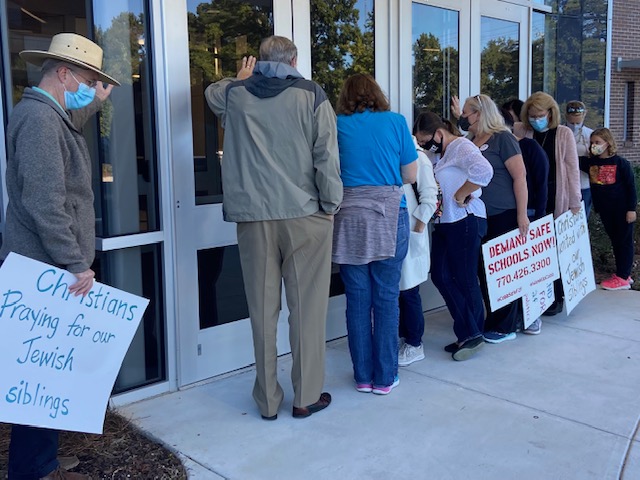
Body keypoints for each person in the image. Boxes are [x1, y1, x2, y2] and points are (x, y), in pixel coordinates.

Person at [205, 36, 343, 420]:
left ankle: (267, 401)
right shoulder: (311, 95)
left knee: (262, 311)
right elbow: (326, 157)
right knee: (307, 310)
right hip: (304, 215)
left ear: (259, 62)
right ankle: (306, 397)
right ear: (294, 60)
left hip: (253, 218)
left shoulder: (235, 95)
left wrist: (240, 76)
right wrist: (331, 205)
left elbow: (211, 94)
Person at [1, 32, 119, 480]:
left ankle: (44, 460)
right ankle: (33, 470)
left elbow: (67, 124)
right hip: (44, 268)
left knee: (49, 371)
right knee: (36, 378)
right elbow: (45, 201)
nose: (88, 86)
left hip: (46, 267)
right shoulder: (38, 121)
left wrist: (95, 103)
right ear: (64, 73)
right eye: (87, 79)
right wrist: (74, 261)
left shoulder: (48, 115)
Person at [333, 73, 417, 394]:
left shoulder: (337, 124)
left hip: (348, 214)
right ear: (377, 94)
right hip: (388, 213)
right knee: (386, 296)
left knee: (356, 299)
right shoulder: (395, 122)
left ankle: (363, 377)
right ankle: (385, 378)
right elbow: (410, 174)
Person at [414, 112, 493, 360]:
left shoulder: (460, 146)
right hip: (445, 222)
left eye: (426, 140)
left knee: (465, 278)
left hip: (465, 219)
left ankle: (472, 333)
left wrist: (462, 193)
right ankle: (469, 332)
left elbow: (484, 171)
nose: (425, 146)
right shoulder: (438, 155)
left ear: (439, 133)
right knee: (440, 275)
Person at [458, 94, 529, 342]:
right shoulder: (469, 140)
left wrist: (522, 215)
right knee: (483, 270)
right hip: (478, 215)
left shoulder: (503, 138)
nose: (463, 117)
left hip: (503, 214)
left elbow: (520, 177)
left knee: (501, 270)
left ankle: (505, 325)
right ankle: (494, 318)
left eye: (466, 113)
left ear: (479, 113)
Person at [515, 92, 582, 317]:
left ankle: (556, 295)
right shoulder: (522, 131)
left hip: (556, 196)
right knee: (534, 252)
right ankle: (536, 296)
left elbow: (572, 169)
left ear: (550, 113)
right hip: (530, 196)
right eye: (532, 115)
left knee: (554, 250)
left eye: (540, 115)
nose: (536, 119)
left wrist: (575, 202)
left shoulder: (563, 134)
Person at [398, 136, 438, 367]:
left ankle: (415, 343)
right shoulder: (390, 155)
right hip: (395, 233)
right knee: (398, 291)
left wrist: (417, 230)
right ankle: (405, 338)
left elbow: (430, 198)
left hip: (411, 232)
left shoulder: (419, 158)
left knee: (409, 291)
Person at [580, 128, 637, 290]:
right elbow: (570, 157)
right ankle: (623, 272)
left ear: (608, 143)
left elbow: (631, 188)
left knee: (624, 242)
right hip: (606, 211)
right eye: (592, 143)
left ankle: (623, 277)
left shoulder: (621, 163)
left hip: (622, 210)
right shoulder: (591, 163)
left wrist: (631, 209)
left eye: (597, 142)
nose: (594, 146)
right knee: (616, 241)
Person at [565, 100, 595, 218]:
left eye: (578, 122)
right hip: (564, 183)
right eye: (571, 122)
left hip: (583, 183)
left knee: (581, 219)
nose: (575, 125)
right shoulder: (560, 131)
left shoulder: (590, 134)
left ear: (584, 115)